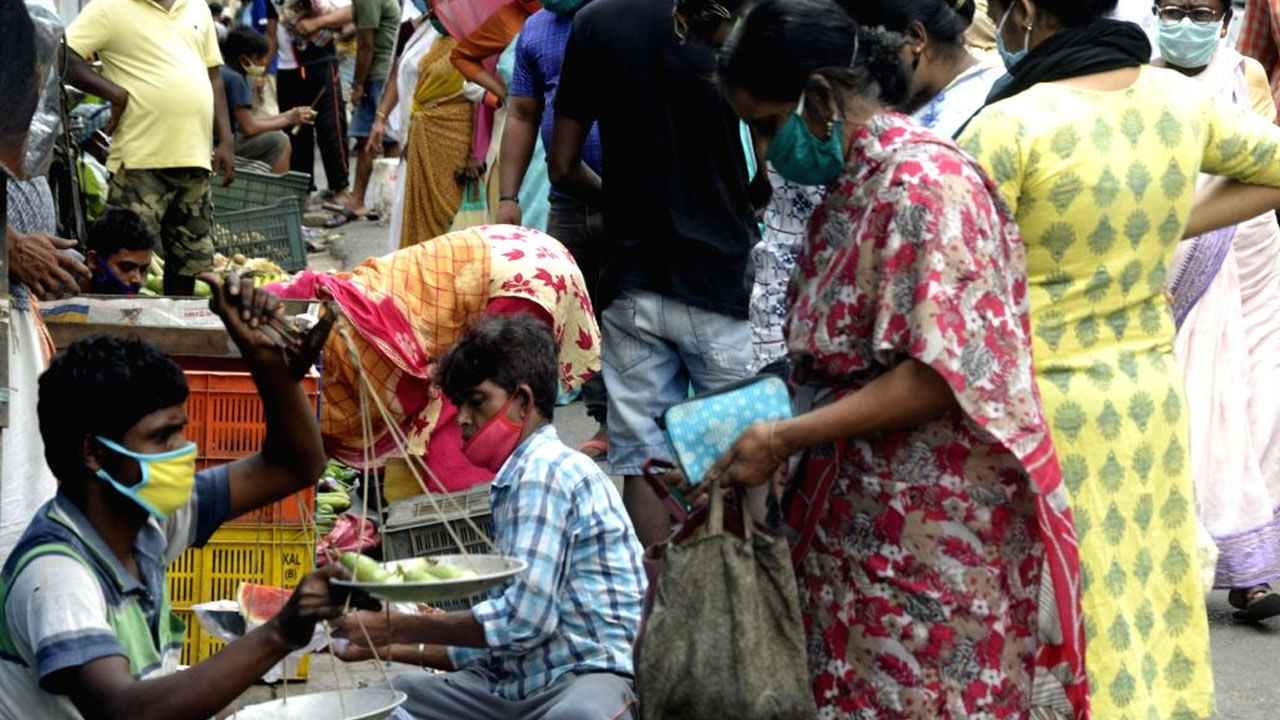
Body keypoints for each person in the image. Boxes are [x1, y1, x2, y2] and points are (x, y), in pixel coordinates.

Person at [711, 1, 1087, 717]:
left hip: (934, 539)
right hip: (855, 528)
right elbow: (836, 360)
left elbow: (939, 375)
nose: (766, 150)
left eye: (767, 124)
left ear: (820, 98)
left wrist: (785, 437)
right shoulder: (851, 186)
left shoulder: (927, 187)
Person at [956, 0, 1280, 716]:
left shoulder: (1008, 125)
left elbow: (958, 274)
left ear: (1030, 13)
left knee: (1060, 600)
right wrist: (1173, 220)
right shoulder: (1177, 100)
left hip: (1042, 408)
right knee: (1147, 590)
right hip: (1147, 399)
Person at [0, 277, 374, 718]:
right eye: (161, 437)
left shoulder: (148, 522)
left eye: (181, 430)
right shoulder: (57, 577)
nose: (183, 449)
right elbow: (124, 712)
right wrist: (279, 633)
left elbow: (294, 465)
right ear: (93, 452)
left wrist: (264, 359)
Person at [334, 314, 645, 720]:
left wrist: (398, 628)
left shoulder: (544, 472)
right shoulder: (515, 480)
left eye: (476, 401)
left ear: (521, 402)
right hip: (516, 683)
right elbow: (502, 642)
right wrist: (384, 645)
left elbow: (521, 621)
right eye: (459, 404)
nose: (462, 417)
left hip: (584, 680)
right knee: (394, 701)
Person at [549, 0, 759, 547]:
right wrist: (743, 205)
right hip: (719, 275)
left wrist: (617, 202)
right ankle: (745, 595)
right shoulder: (726, 15)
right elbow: (767, 149)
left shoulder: (596, 21)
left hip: (632, 275)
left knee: (643, 455)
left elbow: (563, 165)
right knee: (743, 447)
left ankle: (654, 600)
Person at [267, 224, 600, 500]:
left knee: (469, 403)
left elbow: (407, 395)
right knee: (475, 403)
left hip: (522, 278)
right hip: (525, 256)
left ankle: (465, 506)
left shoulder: (346, 332)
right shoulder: (340, 298)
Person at [1152, 0, 1280, 622]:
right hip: (1175, 259)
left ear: (1225, 17)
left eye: (1199, 10)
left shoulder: (1245, 73)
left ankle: (1253, 570)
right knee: (1199, 399)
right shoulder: (1139, 76)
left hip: (1252, 256)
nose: (1185, 23)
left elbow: (1262, 153)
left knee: (1259, 399)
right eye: (1171, 9)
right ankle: (1188, 554)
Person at [496, 0, 609, 458]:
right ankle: (541, 428)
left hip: (632, 198)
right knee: (559, 313)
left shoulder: (615, 20)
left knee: (621, 312)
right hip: (568, 200)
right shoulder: (536, 31)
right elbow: (522, 113)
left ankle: (615, 422)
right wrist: (508, 197)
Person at [64, 0, 236, 296]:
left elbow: (213, 76)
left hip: (194, 157)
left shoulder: (196, 7)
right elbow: (63, 55)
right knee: (123, 259)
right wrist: (115, 94)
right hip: (139, 161)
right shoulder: (109, 7)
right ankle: (112, 336)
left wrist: (226, 140)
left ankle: (175, 333)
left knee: (189, 263)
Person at [296, 0, 400, 222]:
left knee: (387, 140)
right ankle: (360, 202)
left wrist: (359, 84)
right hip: (378, 72)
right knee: (368, 140)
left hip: (378, 73)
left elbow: (365, 44)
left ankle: (391, 203)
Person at [839, 0, 1004, 138]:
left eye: (873, 53)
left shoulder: (976, 119)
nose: (866, 69)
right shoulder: (991, 81)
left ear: (916, 38)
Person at [393, 17, 477, 245]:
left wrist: (475, 151)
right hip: (424, 131)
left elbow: (479, 99)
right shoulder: (435, 39)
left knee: (449, 210)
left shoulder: (475, 38)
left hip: (455, 133)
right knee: (420, 208)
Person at [265, 0, 351, 205]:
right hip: (287, 69)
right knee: (295, 132)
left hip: (320, 62)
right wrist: (262, 69)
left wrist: (317, 22)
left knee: (330, 128)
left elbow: (351, 12)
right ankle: (303, 191)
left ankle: (339, 189)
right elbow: (271, 33)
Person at [220, 25, 317, 174]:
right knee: (280, 142)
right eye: (259, 58)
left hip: (225, 138)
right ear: (244, 59)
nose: (264, 62)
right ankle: (274, 193)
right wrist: (288, 120)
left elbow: (247, 122)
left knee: (277, 135)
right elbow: (249, 128)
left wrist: (287, 115)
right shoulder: (236, 79)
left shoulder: (230, 73)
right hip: (220, 145)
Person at [80, 207, 155, 295]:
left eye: (143, 270)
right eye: (126, 267)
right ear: (94, 261)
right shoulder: (62, 282)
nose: (138, 279)